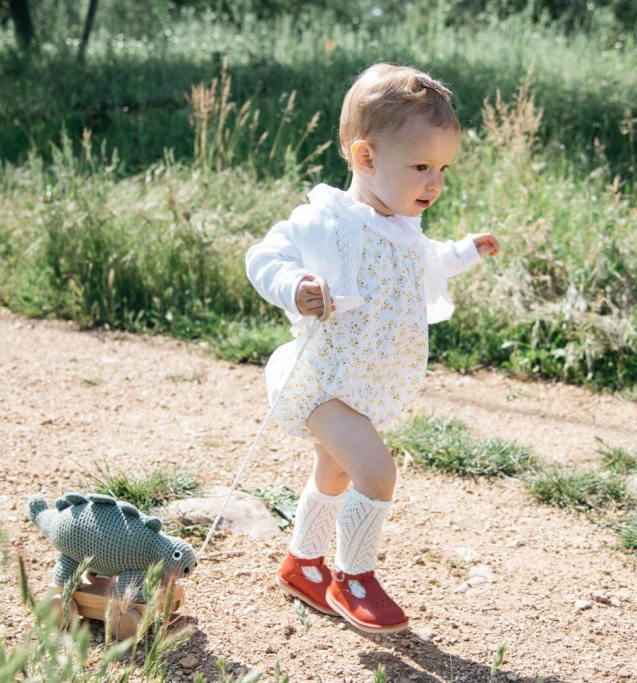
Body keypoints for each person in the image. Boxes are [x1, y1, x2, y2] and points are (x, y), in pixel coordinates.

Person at [245, 62, 499, 634]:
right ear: (365, 159)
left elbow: (427, 263)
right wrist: (296, 287)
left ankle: (301, 563)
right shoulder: (328, 221)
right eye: (420, 167)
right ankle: (352, 577)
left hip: (359, 385)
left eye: (442, 169)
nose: (434, 183)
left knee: (333, 474)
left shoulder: (403, 228)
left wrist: (465, 251)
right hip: (319, 381)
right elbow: (264, 257)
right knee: (376, 472)